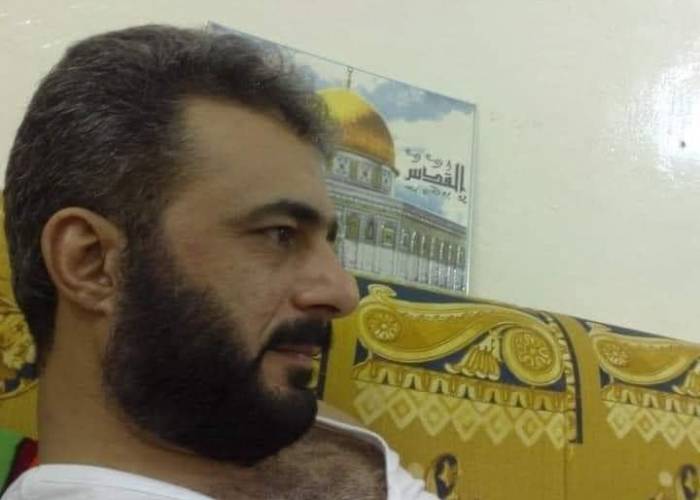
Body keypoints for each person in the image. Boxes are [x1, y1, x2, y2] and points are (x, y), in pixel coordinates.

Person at [1, 25, 436, 499]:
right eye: (280, 234)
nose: (344, 293)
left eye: (329, 244)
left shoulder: (263, 432)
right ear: (90, 262)